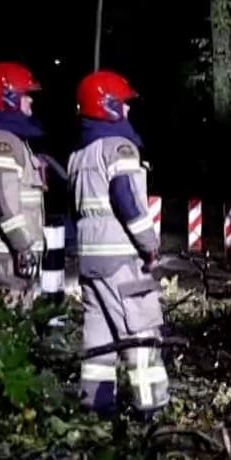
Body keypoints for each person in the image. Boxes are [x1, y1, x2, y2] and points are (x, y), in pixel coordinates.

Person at [67, 70, 168, 416]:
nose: (127, 112)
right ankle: (150, 412)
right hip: (122, 259)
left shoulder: (80, 155)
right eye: (123, 105)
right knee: (142, 336)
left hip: (91, 262)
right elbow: (126, 198)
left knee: (99, 341)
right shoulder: (119, 147)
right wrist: (149, 244)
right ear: (108, 106)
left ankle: (96, 410)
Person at [0, 62, 49, 304]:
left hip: (8, 256)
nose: (31, 101)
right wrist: (24, 246)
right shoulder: (1, 140)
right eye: (25, 95)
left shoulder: (8, 138)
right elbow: (2, 199)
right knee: (6, 331)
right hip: (6, 258)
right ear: (9, 98)